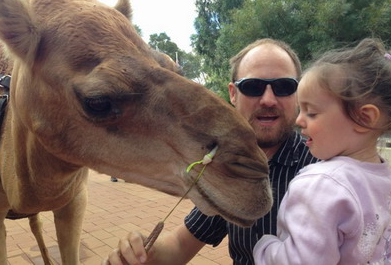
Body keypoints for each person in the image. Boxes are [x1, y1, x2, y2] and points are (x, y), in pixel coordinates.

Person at [103, 38, 319, 265]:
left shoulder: (325, 165)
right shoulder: (224, 165)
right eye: (253, 87)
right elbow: (179, 245)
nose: (268, 99)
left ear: (297, 93)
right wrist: (143, 254)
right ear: (233, 94)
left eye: (284, 87)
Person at [253, 38, 391, 264]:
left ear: (364, 117)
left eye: (311, 113)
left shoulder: (322, 185)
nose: (299, 120)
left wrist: (265, 247)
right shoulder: (387, 179)